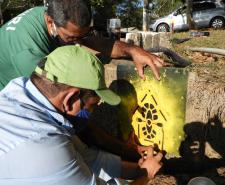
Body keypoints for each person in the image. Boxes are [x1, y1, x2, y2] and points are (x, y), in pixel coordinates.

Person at [0, 45, 163, 185]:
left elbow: (89, 158)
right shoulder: (41, 144)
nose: (92, 113)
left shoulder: (22, 96)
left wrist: (139, 168)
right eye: (93, 105)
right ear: (71, 100)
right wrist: (146, 175)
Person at [0, 0, 164, 90]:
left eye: (82, 35)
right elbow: (58, 99)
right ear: (51, 23)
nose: (77, 42)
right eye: (71, 38)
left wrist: (132, 50)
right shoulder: (28, 51)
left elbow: (88, 42)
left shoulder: (56, 13)